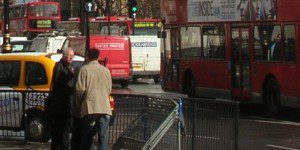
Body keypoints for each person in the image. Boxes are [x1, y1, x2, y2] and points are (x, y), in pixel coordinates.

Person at [76, 48, 112, 150]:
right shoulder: (106, 71)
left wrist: (79, 104)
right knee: (103, 136)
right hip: (104, 108)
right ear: (99, 57)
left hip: (90, 108)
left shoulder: (84, 69)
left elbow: (80, 89)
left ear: (87, 56)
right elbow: (109, 90)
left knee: (88, 136)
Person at [50, 48, 75, 150]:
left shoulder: (70, 67)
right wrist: (71, 75)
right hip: (59, 105)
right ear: (64, 55)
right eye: (70, 56)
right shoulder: (58, 66)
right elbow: (58, 80)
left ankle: (64, 146)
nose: (71, 58)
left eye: (72, 56)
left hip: (67, 103)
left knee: (65, 130)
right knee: (58, 131)